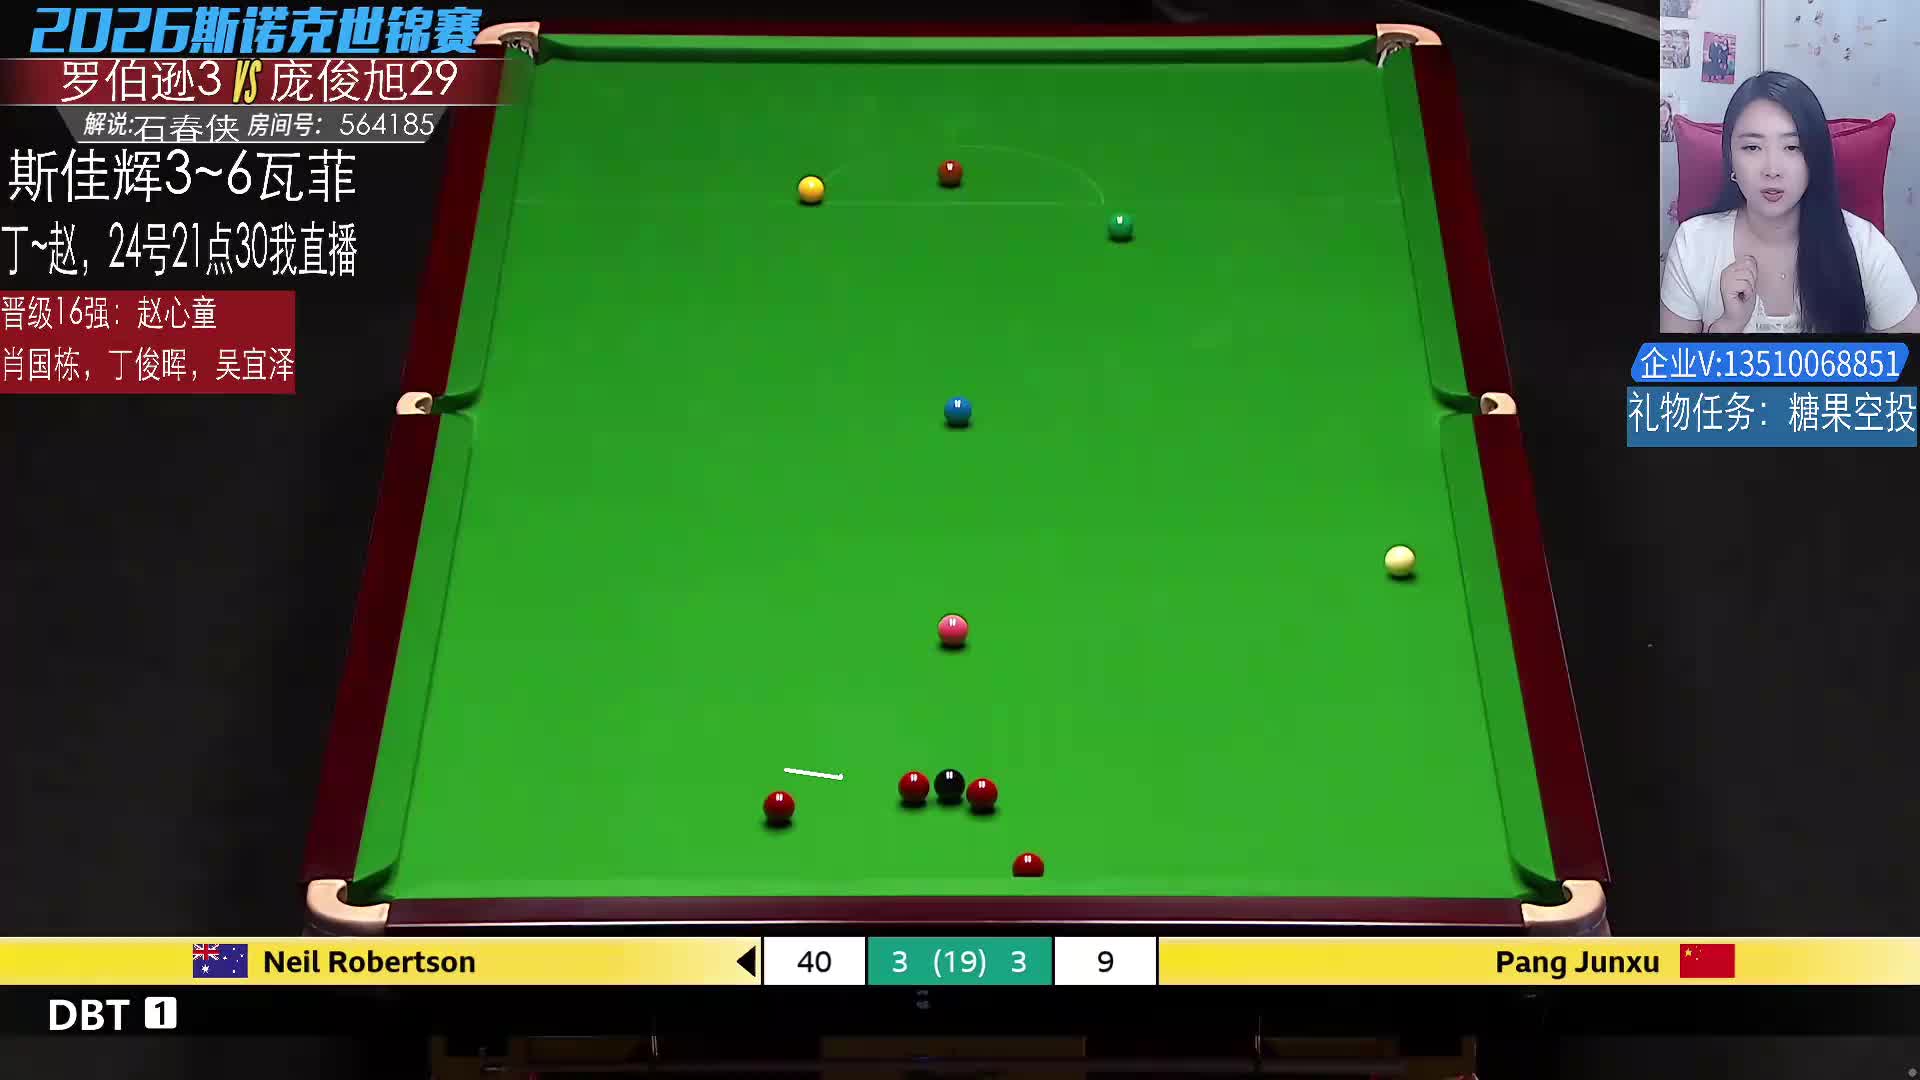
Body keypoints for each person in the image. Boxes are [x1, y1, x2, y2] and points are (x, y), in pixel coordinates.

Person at [1659, 71, 1920, 333]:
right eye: (1752, 147)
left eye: (1792, 147)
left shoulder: (1863, 245)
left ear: (1815, 157)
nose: (1772, 170)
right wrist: (1727, 327)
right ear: (1730, 159)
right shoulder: (1692, 244)